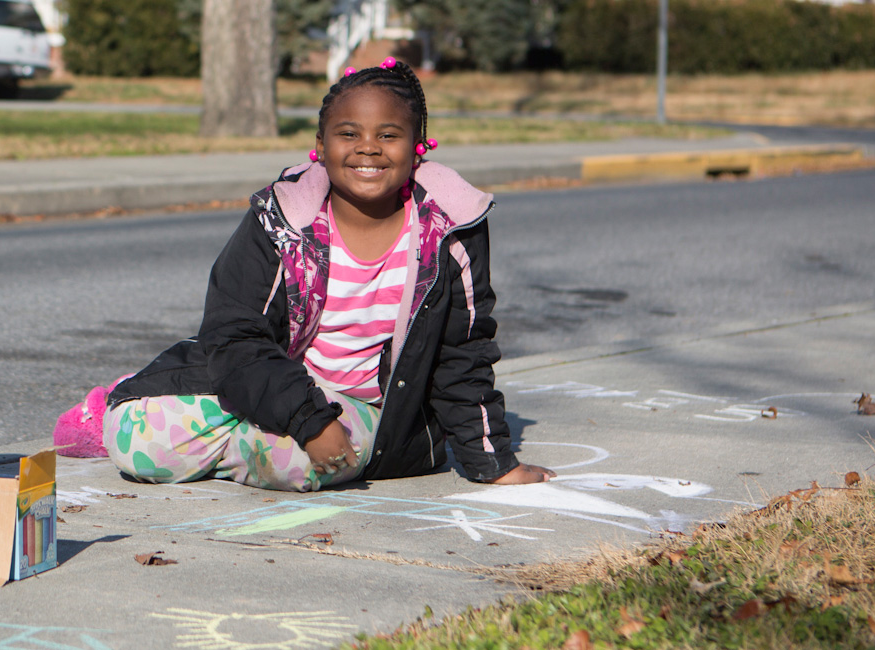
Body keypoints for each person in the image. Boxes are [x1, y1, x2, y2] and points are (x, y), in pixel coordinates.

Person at [102, 58, 556, 493]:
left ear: (418, 147)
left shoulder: (451, 227)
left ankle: (233, 440)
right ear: (320, 146)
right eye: (348, 133)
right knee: (128, 435)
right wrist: (307, 417)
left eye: (389, 134)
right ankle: (242, 433)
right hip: (285, 383)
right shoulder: (282, 219)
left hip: (370, 412)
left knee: (291, 461)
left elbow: (464, 352)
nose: (368, 148)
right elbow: (234, 334)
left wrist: (491, 461)